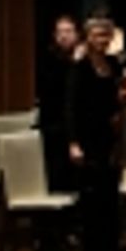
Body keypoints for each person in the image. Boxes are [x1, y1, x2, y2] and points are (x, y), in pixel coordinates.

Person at [66, 18, 125, 251]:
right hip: (88, 139)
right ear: (88, 37)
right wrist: (73, 142)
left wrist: (122, 103)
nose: (102, 40)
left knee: (111, 197)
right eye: (97, 35)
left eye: (106, 35)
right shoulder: (79, 67)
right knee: (93, 199)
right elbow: (70, 107)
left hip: (110, 139)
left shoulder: (114, 64)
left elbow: (118, 99)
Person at [38, 15, 81, 193]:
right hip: (55, 128)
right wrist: (74, 64)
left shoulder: (83, 60)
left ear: (77, 35)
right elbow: (55, 90)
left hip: (77, 126)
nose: (64, 36)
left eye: (68, 31)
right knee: (60, 182)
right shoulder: (48, 60)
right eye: (59, 32)